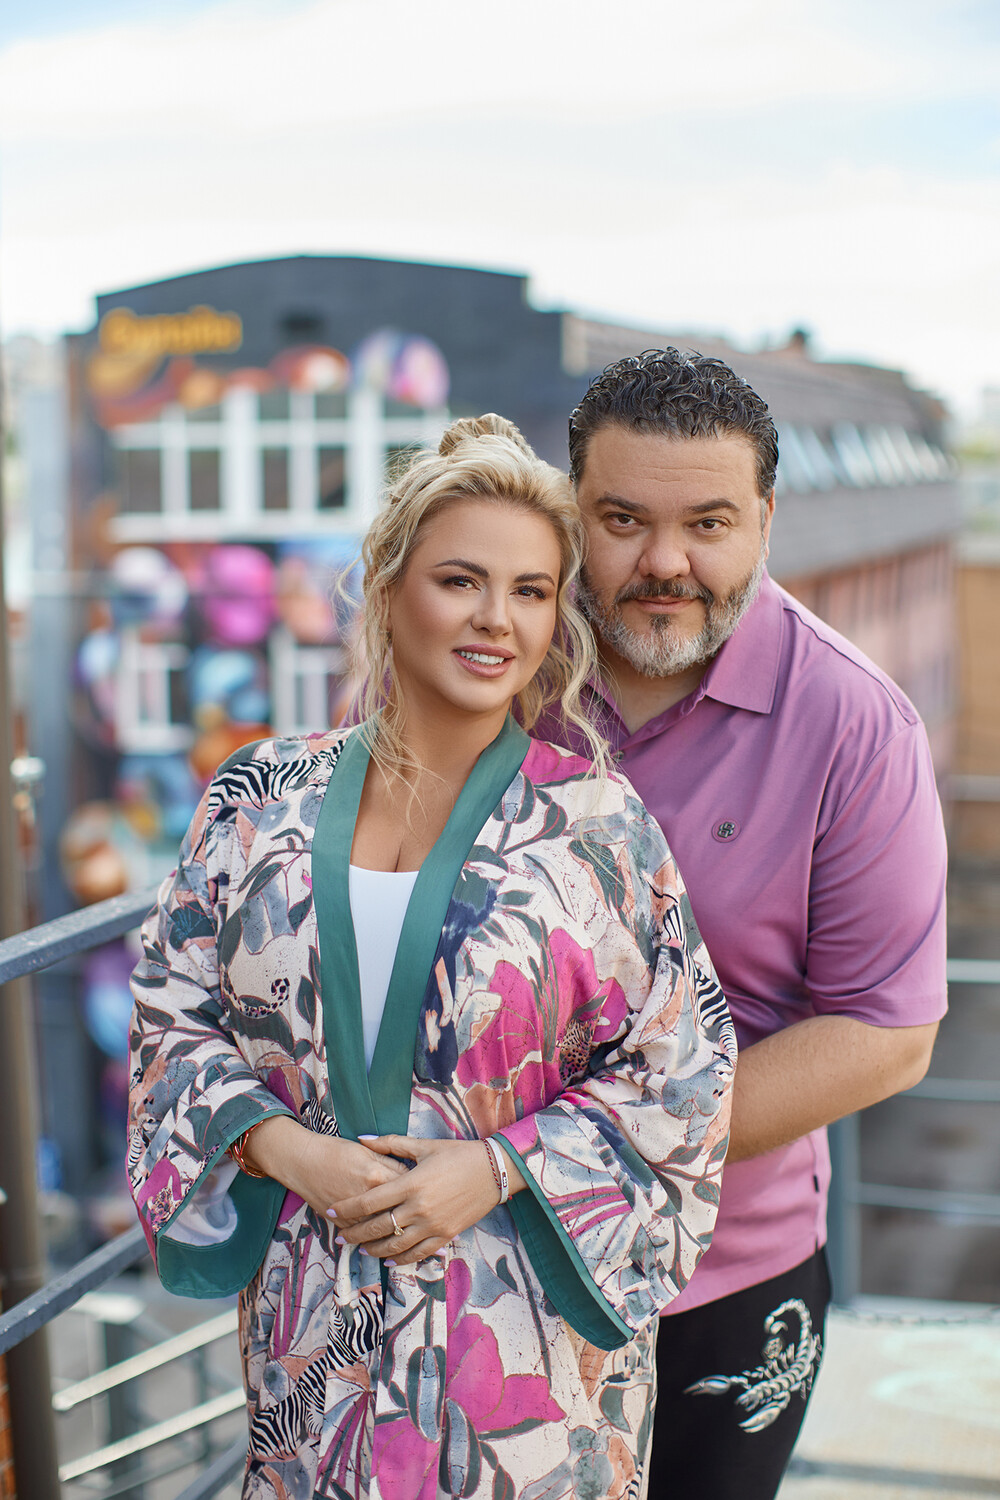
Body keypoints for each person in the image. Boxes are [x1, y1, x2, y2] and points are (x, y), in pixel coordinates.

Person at [127, 414, 736, 1500]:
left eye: (532, 591)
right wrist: (287, 1150)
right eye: (461, 581)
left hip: (523, 1360)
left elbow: (682, 1073)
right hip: (313, 1339)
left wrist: (497, 1168)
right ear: (388, 587)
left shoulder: (597, 829)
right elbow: (171, 1016)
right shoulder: (256, 800)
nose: (497, 618)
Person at [555, 350, 948, 1500]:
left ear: (766, 520)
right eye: (622, 520)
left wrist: (558, 1162)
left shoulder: (854, 722)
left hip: (722, 1280)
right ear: (572, 512)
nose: (663, 562)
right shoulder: (494, 673)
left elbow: (886, 1033)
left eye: (708, 523)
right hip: (481, 1269)